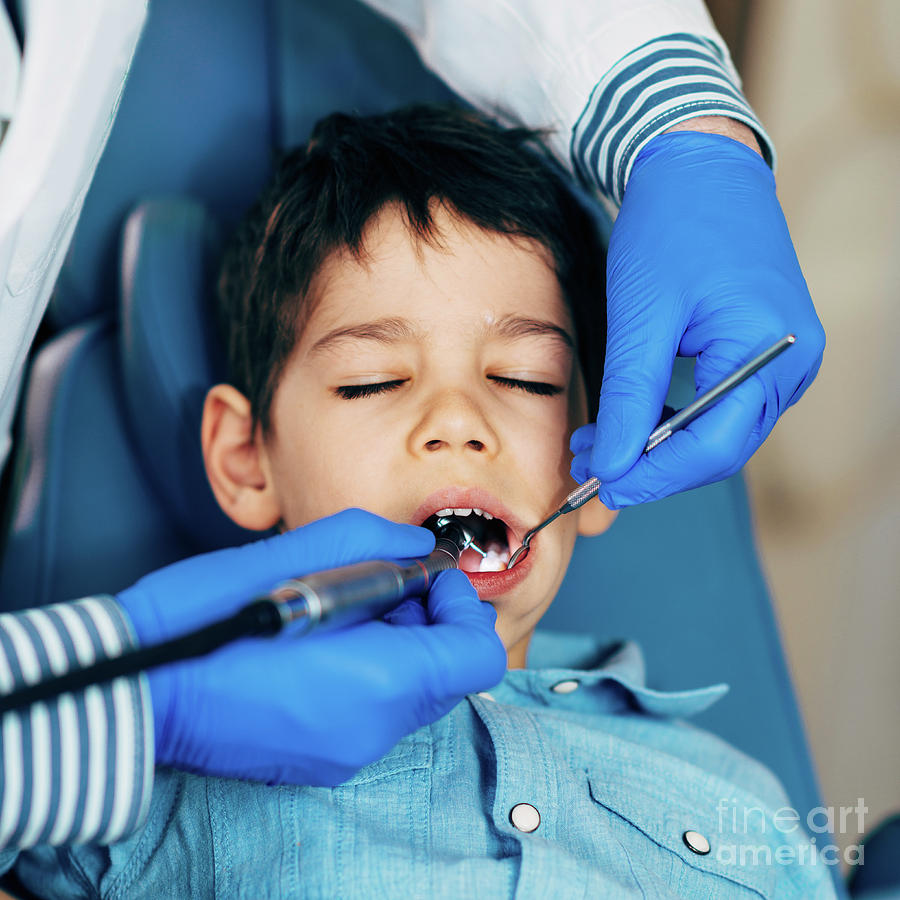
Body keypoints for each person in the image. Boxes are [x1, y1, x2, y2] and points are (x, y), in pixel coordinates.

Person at [0, 0, 825, 861]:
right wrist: (123, 709)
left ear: (602, 455)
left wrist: (676, 118)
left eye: (525, 379)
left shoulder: (741, 803)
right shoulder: (128, 802)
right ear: (247, 458)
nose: (460, 421)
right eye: (373, 382)